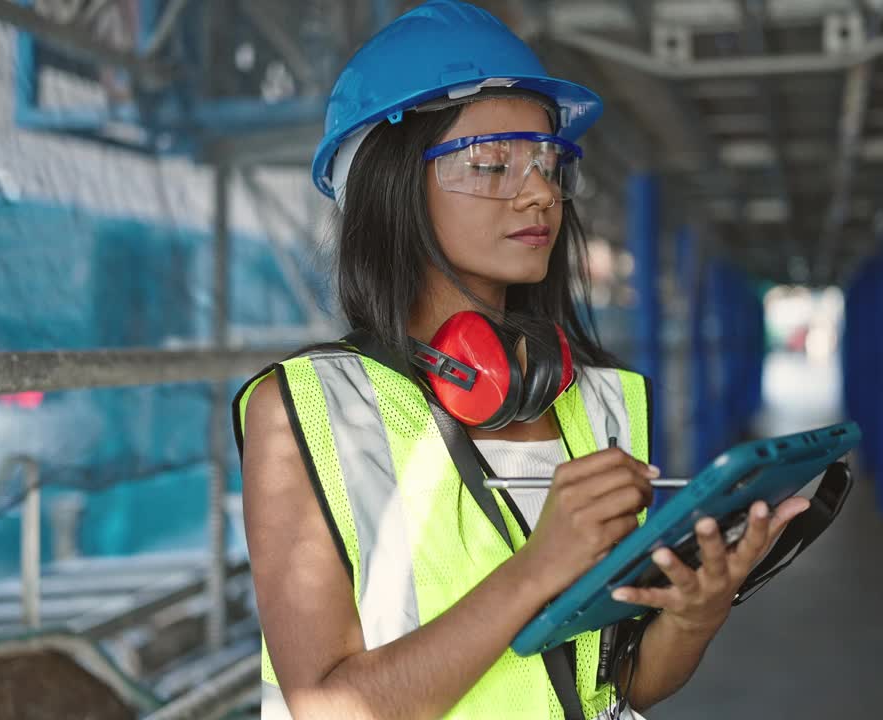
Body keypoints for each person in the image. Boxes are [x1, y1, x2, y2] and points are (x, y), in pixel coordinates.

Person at [232, 2, 810, 718]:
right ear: (390, 183)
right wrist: (538, 567)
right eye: (491, 163)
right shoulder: (306, 413)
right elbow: (328, 707)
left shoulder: (597, 399)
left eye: (548, 162)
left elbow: (613, 683)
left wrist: (694, 614)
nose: (539, 191)